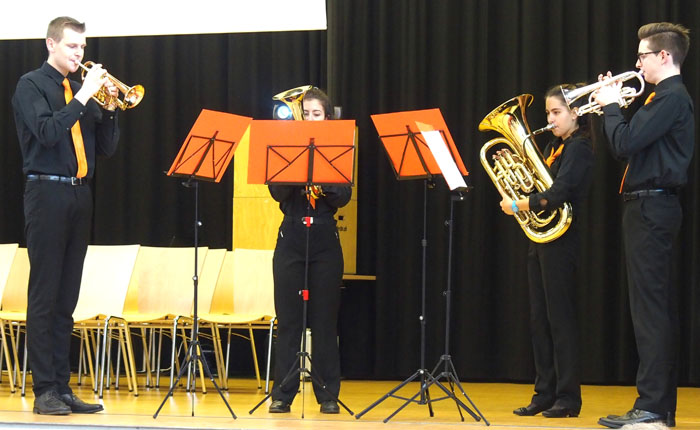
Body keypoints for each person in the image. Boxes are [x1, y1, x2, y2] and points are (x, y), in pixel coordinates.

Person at [11, 17, 120, 415]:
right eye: (73, 46)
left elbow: (105, 149)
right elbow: (47, 133)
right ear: (51, 44)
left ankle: (62, 385)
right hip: (46, 193)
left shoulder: (80, 90)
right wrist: (83, 97)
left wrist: (110, 108)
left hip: (79, 194)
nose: (79, 54)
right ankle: (44, 390)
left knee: (67, 297)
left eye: (83, 47)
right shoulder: (31, 85)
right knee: (44, 295)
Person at [592, 22, 693, 429]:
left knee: (650, 312)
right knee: (652, 310)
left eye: (642, 56)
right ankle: (656, 407)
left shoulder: (670, 97)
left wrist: (610, 105)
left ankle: (652, 407)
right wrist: (613, 107)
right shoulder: (662, 98)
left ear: (664, 56)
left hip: (652, 208)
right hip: (648, 208)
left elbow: (623, 143)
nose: (637, 65)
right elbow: (633, 140)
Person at [500, 84, 594, 419]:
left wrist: (519, 204)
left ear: (576, 112)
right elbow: (539, 185)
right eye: (548, 113)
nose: (550, 119)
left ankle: (568, 398)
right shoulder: (556, 145)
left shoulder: (580, 147)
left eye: (556, 112)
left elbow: (559, 193)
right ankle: (544, 393)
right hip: (541, 239)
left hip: (562, 241)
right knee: (540, 320)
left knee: (560, 321)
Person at [267, 87, 352, 414]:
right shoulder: (284, 147)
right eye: (305, 114)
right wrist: (298, 165)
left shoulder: (338, 148)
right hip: (291, 236)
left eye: (316, 114)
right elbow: (277, 192)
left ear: (327, 118)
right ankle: (283, 394)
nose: (310, 119)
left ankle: (327, 394)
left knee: (325, 321)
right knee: (289, 321)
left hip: (324, 237)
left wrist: (320, 173)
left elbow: (342, 197)